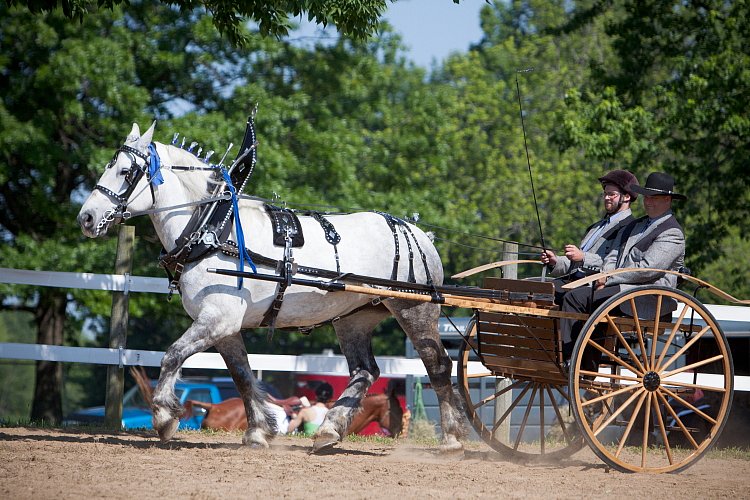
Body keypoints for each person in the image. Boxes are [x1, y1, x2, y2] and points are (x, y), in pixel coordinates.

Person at [559, 171, 687, 356]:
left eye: (654, 198)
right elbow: (613, 255)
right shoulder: (637, 225)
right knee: (569, 293)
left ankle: (574, 360)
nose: (648, 202)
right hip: (622, 288)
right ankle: (567, 357)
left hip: (648, 295)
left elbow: (647, 270)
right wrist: (603, 276)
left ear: (668, 200)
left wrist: (609, 279)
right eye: (646, 197)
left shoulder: (672, 233)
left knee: (578, 298)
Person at [541, 169, 639, 280]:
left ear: (627, 197)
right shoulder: (596, 227)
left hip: (594, 286)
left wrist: (583, 257)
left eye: (612, 194)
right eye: (605, 194)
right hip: (573, 281)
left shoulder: (630, 228)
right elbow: (576, 266)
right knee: (535, 289)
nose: (606, 198)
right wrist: (555, 261)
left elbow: (615, 264)